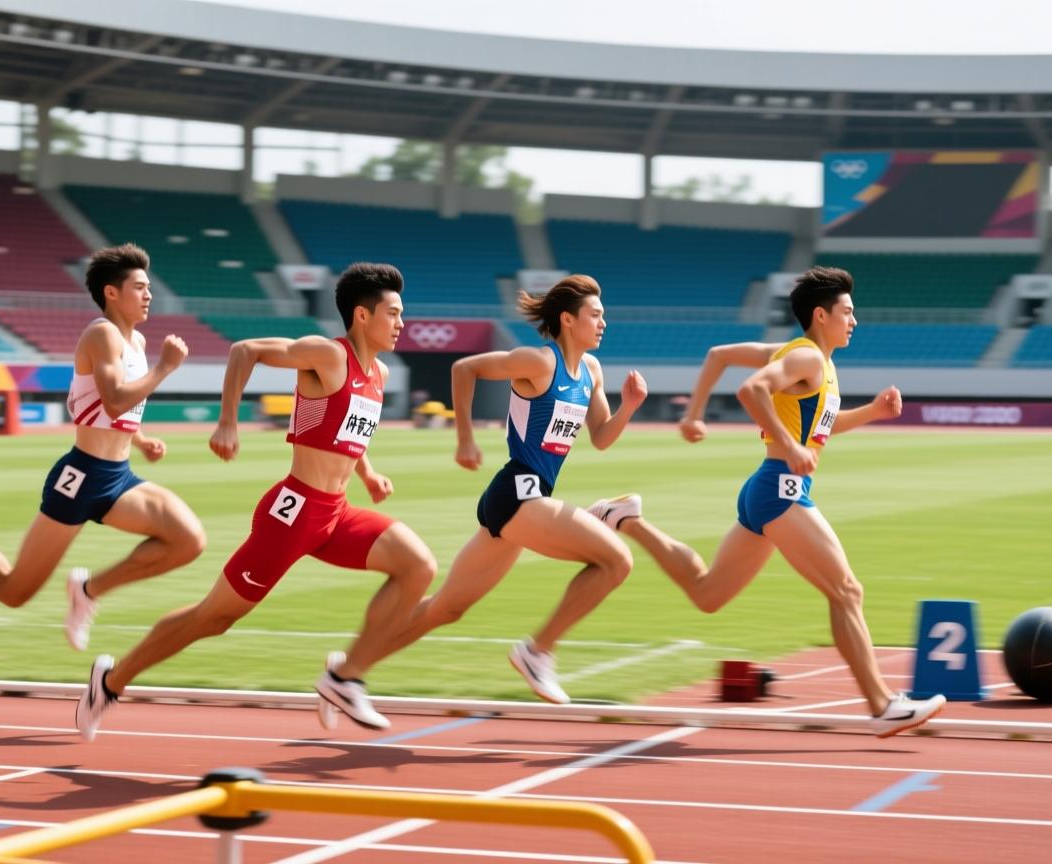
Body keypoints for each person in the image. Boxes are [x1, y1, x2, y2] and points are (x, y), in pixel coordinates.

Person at [74, 261, 436, 740]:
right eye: (393, 313)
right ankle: (111, 681)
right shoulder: (327, 354)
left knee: (417, 566)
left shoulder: (380, 373)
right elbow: (245, 350)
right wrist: (227, 422)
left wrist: (367, 473)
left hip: (336, 512)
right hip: (294, 512)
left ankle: (345, 676)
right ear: (362, 315)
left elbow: (349, 427)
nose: (402, 323)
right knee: (213, 617)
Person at [587, 265, 946, 738]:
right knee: (846, 591)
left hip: (769, 489)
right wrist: (789, 445)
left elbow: (723, 359)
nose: (854, 320)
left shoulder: (811, 360)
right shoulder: (806, 357)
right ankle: (882, 705)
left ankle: (627, 519)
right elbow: (750, 389)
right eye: (847, 312)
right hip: (780, 490)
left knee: (708, 594)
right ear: (821, 315)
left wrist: (873, 412)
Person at [340, 274, 648, 705]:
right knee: (616, 561)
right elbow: (464, 368)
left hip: (524, 502)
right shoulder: (538, 362)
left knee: (445, 608)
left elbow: (601, 438)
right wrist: (464, 439)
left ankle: (346, 671)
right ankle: (538, 651)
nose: (603, 323)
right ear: (567, 319)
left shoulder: (591, 371)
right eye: (595, 315)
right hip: (519, 492)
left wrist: (629, 407)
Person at [0, 243, 205, 653]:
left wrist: (141, 439)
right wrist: (165, 367)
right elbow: (114, 399)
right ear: (112, 292)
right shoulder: (101, 334)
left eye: (149, 287)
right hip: (81, 478)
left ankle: (88, 590)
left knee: (188, 540)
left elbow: (100, 405)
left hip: (118, 478)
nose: (149, 295)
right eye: (140, 287)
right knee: (13, 590)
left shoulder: (137, 342)